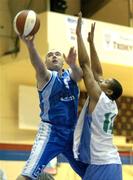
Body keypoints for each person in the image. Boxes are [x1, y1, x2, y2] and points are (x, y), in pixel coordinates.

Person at [16, 35, 87, 180]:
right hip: (51, 132)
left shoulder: (70, 75)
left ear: (63, 60)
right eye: (49, 55)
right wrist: (31, 46)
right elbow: (37, 65)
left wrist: (73, 64)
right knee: (27, 176)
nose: (54, 56)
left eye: (57, 54)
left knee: (90, 173)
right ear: (46, 63)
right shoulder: (46, 76)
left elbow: (79, 75)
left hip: (72, 133)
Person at [73, 12, 123, 180]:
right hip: (114, 163)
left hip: (101, 164)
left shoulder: (99, 98)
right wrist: (92, 43)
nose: (102, 79)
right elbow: (98, 72)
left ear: (109, 91)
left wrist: (78, 35)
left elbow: (85, 65)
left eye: (107, 81)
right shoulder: (110, 103)